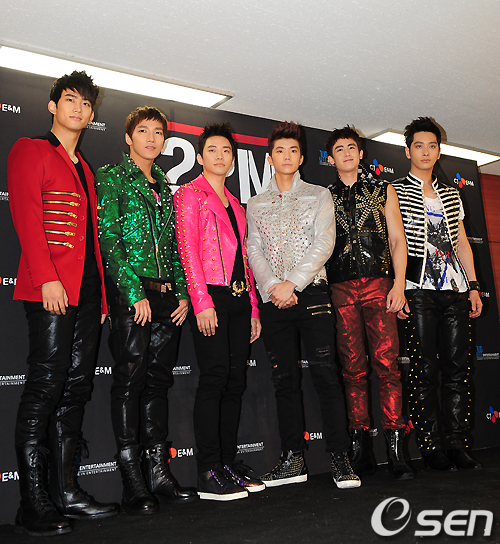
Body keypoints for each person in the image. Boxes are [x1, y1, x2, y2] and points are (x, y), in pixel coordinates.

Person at [7, 71, 118, 536]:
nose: (78, 109)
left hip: (87, 293)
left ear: (92, 115)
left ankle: (66, 492)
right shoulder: (30, 149)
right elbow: (27, 217)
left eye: (86, 104)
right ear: (53, 105)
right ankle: (32, 502)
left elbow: (92, 241)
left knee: (75, 388)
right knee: (45, 385)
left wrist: (103, 298)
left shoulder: (86, 169)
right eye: (70, 100)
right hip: (50, 287)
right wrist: (47, 278)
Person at [246, 121, 360, 489]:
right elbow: (253, 248)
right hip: (272, 299)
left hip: (311, 294)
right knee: (284, 381)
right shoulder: (255, 203)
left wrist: (292, 283)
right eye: (280, 150)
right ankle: (292, 460)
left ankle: (340, 458)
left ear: (301, 158)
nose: (286, 156)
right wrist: (272, 287)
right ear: (270, 157)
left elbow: (324, 243)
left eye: (293, 151)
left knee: (326, 376)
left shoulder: (319, 195)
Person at [96, 106, 197, 514]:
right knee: (130, 380)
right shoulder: (112, 176)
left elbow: (173, 248)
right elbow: (110, 239)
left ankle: (158, 473)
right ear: (128, 137)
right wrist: (132, 292)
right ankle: (132, 480)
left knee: (158, 382)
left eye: (158, 132)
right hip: (131, 295)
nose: (152, 138)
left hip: (167, 297)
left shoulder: (166, 186)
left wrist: (183, 294)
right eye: (143, 131)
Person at [173, 122, 263, 501]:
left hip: (240, 300)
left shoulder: (237, 206)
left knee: (235, 381)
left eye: (226, 150)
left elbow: (244, 260)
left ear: (233, 159)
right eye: (212, 150)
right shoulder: (189, 194)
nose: (220, 156)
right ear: (199, 157)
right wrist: (201, 301)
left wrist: (254, 307)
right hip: (210, 295)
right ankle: (208, 470)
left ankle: (226, 463)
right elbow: (188, 250)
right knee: (214, 379)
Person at [392, 116, 483, 471]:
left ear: (439, 150)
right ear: (407, 151)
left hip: (455, 290)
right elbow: (394, 242)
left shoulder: (451, 193)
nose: (426, 152)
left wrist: (473, 285)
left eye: (432, 146)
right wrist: (399, 286)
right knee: (423, 369)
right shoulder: (396, 190)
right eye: (419, 146)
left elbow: (462, 242)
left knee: (458, 370)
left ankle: (457, 444)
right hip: (419, 291)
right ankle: (430, 446)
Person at [325, 126, 414, 480]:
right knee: (352, 369)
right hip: (340, 288)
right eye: (339, 149)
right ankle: (360, 447)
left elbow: (397, 238)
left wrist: (399, 284)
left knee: (388, 366)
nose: (347, 152)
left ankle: (396, 449)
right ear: (330, 158)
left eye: (352, 147)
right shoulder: (324, 196)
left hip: (379, 284)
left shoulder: (383, 189)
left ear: (361, 153)